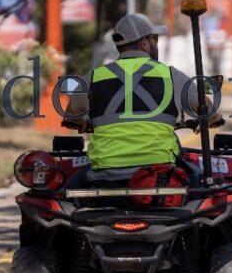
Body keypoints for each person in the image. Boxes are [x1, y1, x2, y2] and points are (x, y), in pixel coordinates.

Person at [66, 13, 223, 185]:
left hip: (105, 176)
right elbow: (209, 111)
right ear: (144, 42)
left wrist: (81, 121)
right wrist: (210, 119)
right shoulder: (170, 75)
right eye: (155, 39)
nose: (156, 44)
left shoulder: (94, 77)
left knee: (69, 185)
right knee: (200, 183)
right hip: (159, 174)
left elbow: (71, 114)